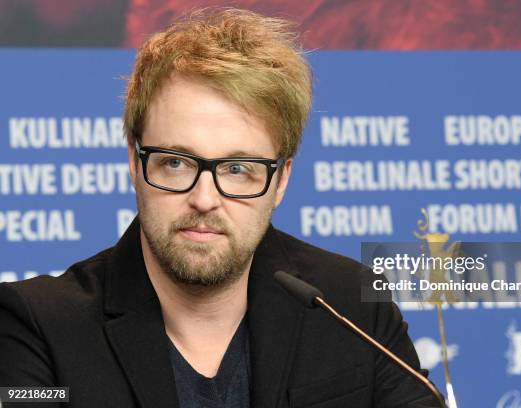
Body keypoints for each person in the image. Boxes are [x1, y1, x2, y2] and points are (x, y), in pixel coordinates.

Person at [0, 8, 440, 408]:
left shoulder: (351, 307)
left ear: (281, 180)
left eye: (238, 169)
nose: (205, 198)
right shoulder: (38, 326)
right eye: (175, 162)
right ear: (135, 163)